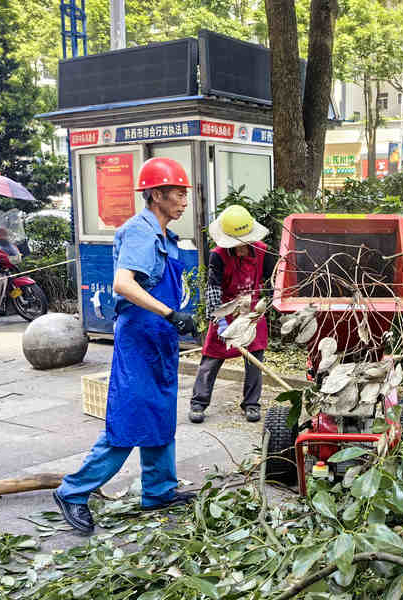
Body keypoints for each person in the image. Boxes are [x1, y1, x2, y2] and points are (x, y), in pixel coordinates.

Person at [53, 157, 197, 534]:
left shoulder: (167, 237)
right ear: (156, 195)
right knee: (129, 421)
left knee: (161, 414)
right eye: (178, 193)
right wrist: (170, 313)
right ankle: (73, 491)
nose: (184, 200)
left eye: (184, 193)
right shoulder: (139, 231)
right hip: (139, 336)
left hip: (161, 339)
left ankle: (159, 490)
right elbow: (123, 283)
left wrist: (179, 316)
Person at [189, 205, 275, 424]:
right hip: (226, 311)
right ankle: (199, 402)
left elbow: (272, 285)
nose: (239, 250)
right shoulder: (217, 256)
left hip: (253, 312)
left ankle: (251, 404)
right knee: (211, 359)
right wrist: (218, 321)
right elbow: (213, 289)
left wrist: (266, 305)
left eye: (242, 245)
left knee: (255, 360)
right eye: (234, 245)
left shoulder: (264, 252)